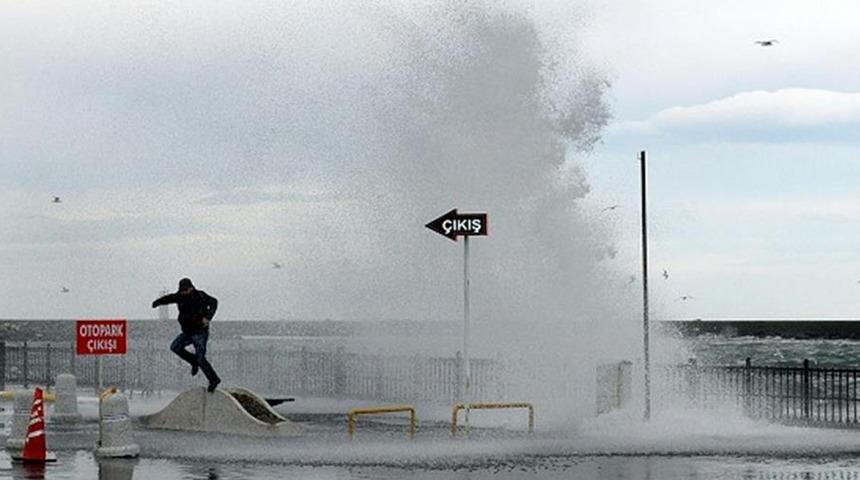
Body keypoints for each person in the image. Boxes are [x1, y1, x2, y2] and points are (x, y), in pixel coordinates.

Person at [151, 278, 221, 392]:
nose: (183, 293)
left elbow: (214, 302)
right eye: (182, 291)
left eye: (185, 291)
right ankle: (193, 361)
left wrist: (208, 317)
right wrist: (157, 302)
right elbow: (168, 298)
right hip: (187, 332)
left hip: (200, 332)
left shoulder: (200, 296)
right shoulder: (180, 296)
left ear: (191, 288)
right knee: (175, 347)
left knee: (201, 357)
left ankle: (214, 379)